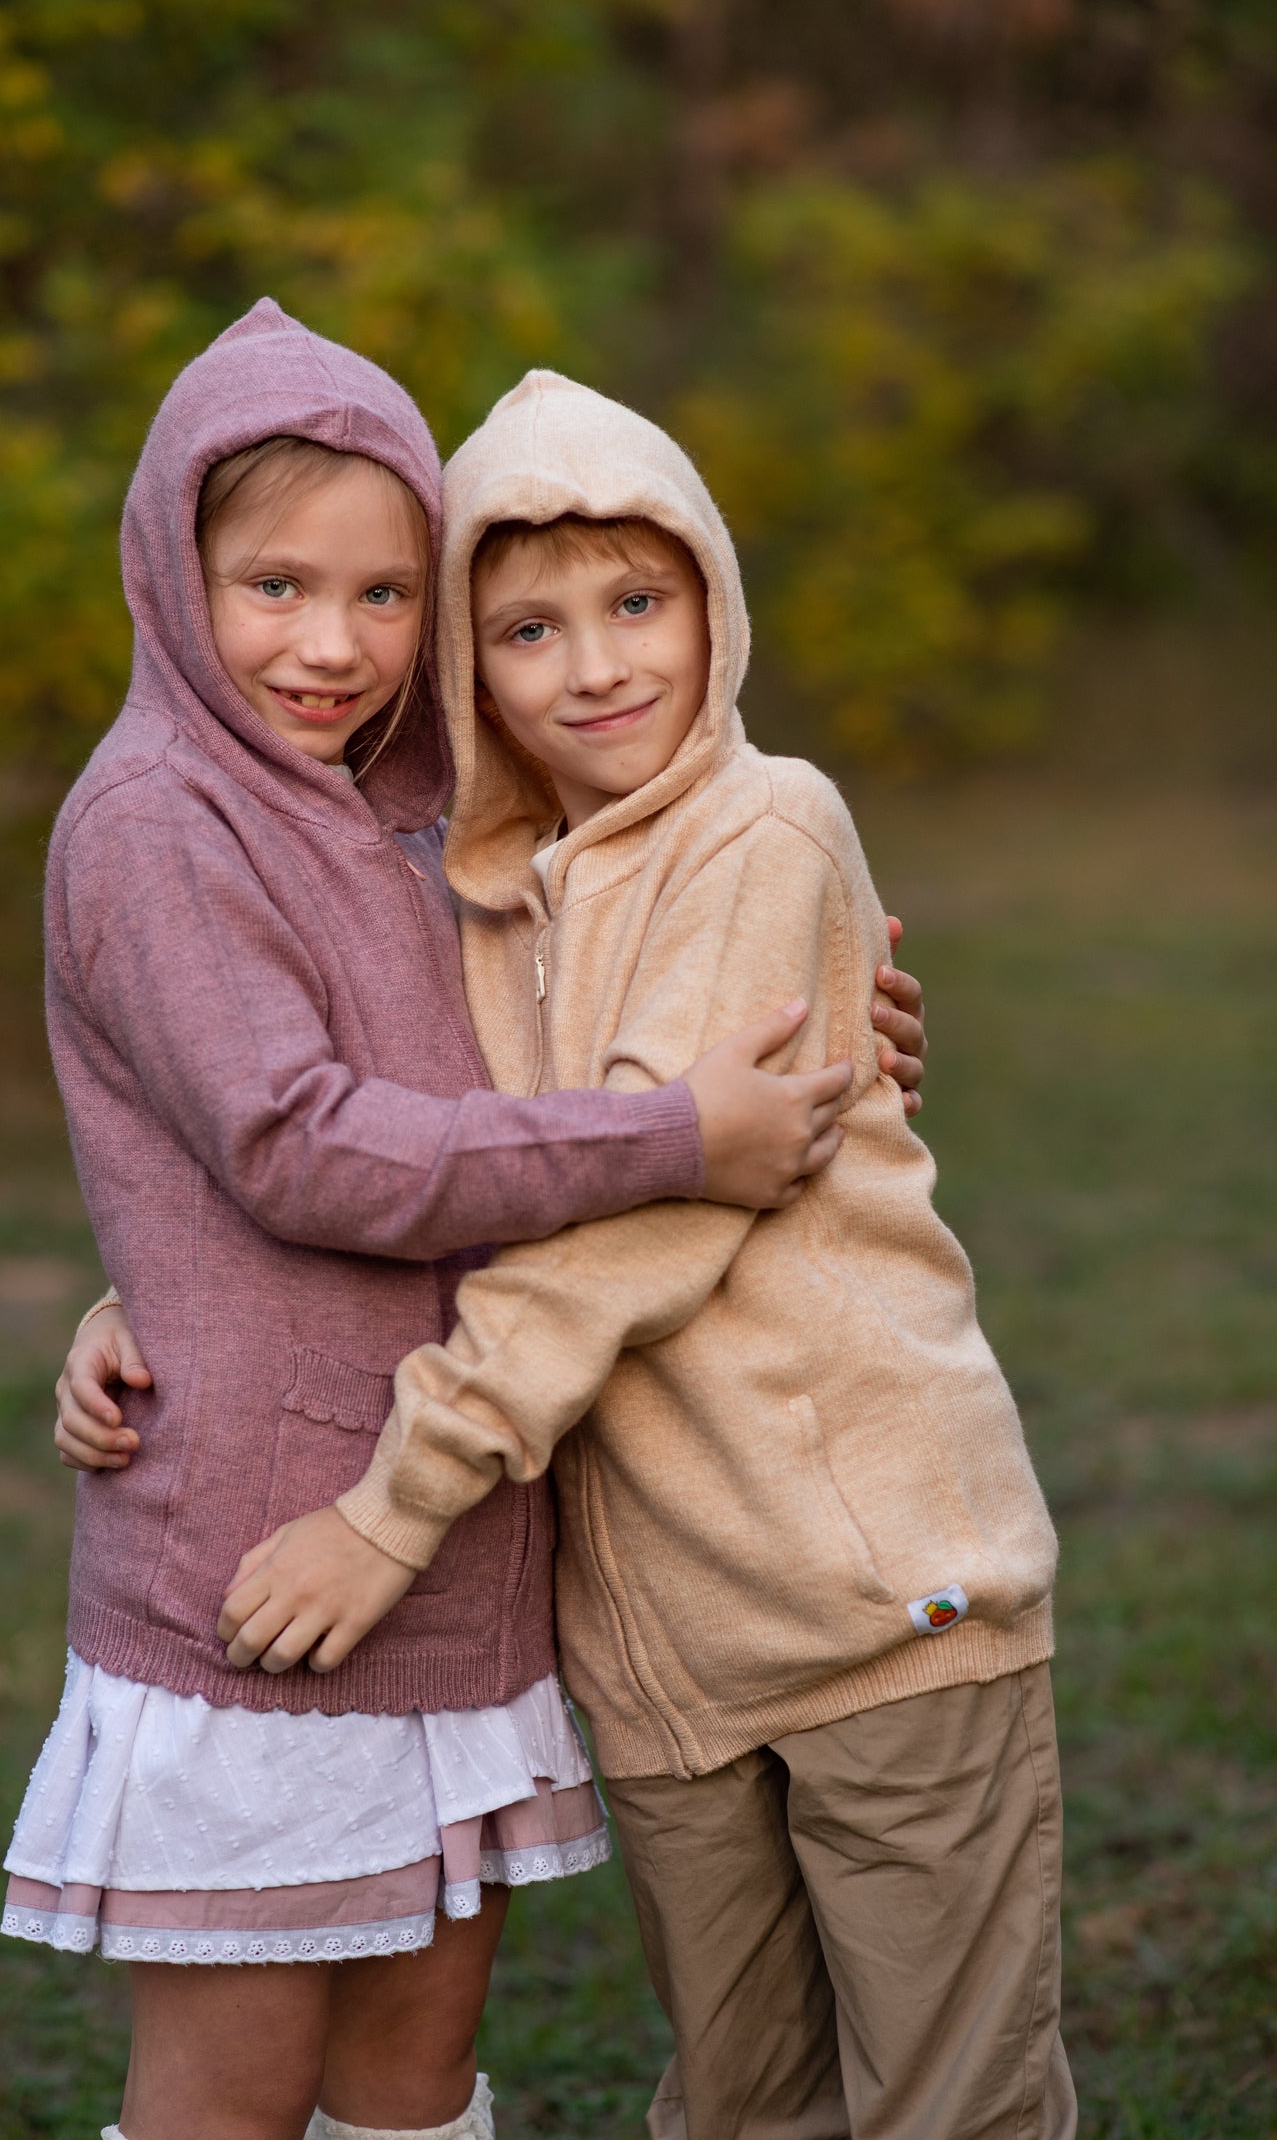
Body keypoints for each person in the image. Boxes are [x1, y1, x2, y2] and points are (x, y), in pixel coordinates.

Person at [12, 300, 927, 2140]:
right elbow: (300, 1145)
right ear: (172, 575)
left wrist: (831, 1019)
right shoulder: (156, 821)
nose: (329, 648)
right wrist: (673, 1135)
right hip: (269, 1567)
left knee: (415, 2073)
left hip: (456, 1559)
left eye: (377, 597)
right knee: (235, 2090)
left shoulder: (420, 822)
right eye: (273, 587)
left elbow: (549, 1042)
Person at [218, 371, 1074, 2140]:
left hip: (872, 1597)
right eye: (527, 627)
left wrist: (397, 1503)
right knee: (738, 2104)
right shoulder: (474, 904)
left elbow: (645, 1205)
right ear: (464, 666)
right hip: (660, 1649)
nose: (597, 665)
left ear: (712, 601)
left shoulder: (765, 824)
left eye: (639, 602)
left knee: (950, 2103)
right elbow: (387, 1155)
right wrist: (140, 1300)